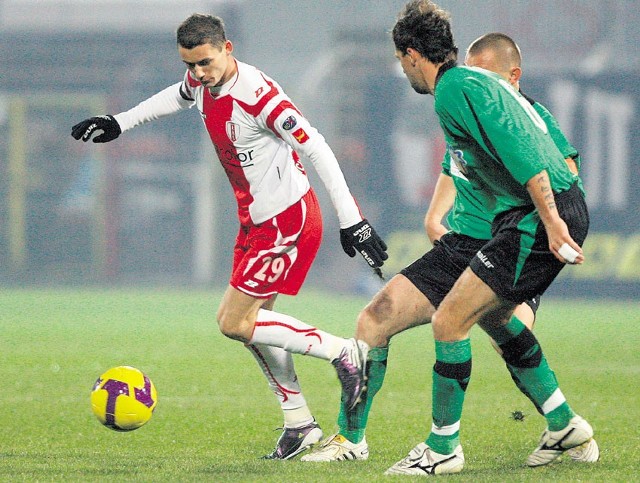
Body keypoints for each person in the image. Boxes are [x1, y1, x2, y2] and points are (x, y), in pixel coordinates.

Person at [71, 13, 388, 460]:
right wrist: (120, 123)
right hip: (256, 219)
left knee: (233, 321)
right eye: (190, 64)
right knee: (255, 328)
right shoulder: (199, 81)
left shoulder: (259, 95)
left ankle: (345, 353)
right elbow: (176, 96)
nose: (199, 73)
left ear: (228, 48)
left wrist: (351, 218)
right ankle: (299, 423)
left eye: (205, 62)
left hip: (287, 218)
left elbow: (314, 144)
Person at [301, 32, 599, 466]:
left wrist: (551, 221)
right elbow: (454, 162)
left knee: (488, 328)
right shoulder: (460, 104)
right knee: (374, 319)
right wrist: (433, 217)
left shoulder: (525, 112)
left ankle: (472, 442)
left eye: (487, 76)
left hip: (513, 236)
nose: (477, 82)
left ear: (511, 77)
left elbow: (559, 167)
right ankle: (350, 439)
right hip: (463, 241)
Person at [378, 1, 595, 475]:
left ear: (413, 54)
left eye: (401, 60)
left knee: (449, 320)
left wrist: (553, 220)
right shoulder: (476, 83)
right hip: (532, 214)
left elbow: (519, 149)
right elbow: (527, 135)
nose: (404, 69)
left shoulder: (452, 90)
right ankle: (563, 425)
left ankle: (443, 449)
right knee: (495, 318)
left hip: (538, 216)